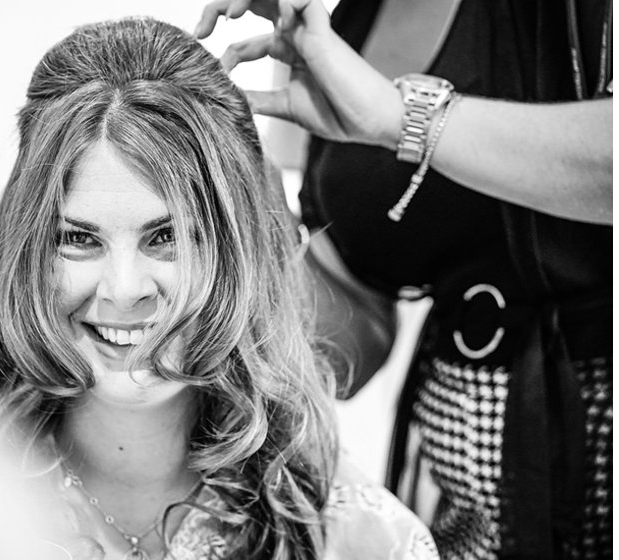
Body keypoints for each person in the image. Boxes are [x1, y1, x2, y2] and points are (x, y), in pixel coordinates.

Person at [0, 16, 443, 560]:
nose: (123, 289)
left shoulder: (362, 541)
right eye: (78, 238)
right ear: (29, 248)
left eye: (166, 238)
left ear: (243, 248)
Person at [194, 0, 612, 558]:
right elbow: (357, 327)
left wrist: (402, 119)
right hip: (460, 494)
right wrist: (260, 228)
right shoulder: (332, 27)